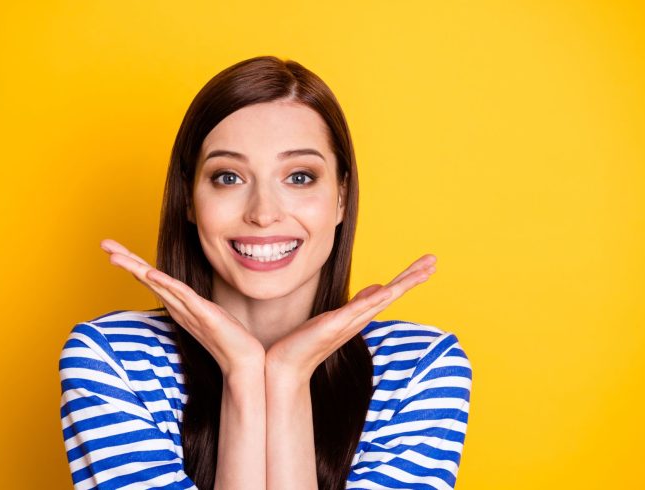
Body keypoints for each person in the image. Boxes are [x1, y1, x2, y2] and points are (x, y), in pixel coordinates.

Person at [58, 55, 472, 490]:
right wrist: (243, 373)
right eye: (228, 178)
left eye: (298, 177)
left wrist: (288, 376)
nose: (263, 213)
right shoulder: (115, 360)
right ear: (188, 200)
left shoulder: (420, 368)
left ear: (342, 199)